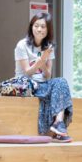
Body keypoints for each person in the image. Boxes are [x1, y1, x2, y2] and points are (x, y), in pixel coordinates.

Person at [14, 13, 74, 141]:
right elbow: (28, 72)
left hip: (42, 83)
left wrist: (45, 59)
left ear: (48, 30)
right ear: (31, 27)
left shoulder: (48, 47)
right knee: (54, 90)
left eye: (43, 26)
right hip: (25, 83)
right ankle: (58, 130)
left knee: (61, 82)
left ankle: (58, 123)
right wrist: (41, 59)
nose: (39, 29)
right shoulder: (22, 45)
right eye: (36, 26)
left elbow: (48, 75)